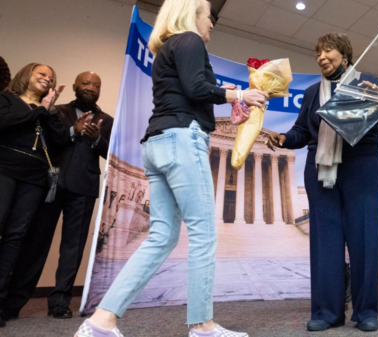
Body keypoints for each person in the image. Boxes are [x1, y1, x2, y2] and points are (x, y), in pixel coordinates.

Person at [74, 1, 268, 336]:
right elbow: (195, 87)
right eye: (210, 17)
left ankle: (101, 322)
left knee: (161, 237)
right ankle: (203, 326)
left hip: (157, 144)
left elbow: (186, 93)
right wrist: (241, 94)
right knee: (203, 234)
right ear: (192, 14)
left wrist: (224, 110)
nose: (212, 24)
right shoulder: (189, 39)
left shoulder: (168, 48)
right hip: (182, 141)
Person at [267, 32, 378, 332]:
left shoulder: (368, 82)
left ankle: (366, 311)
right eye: (317, 53)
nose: (321, 57)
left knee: (363, 240)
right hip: (321, 170)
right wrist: (283, 139)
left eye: (327, 50)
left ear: (344, 55)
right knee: (325, 243)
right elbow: (300, 132)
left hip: (362, 166)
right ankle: (328, 312)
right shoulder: (309, 94)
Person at [2, 72, 113, 320]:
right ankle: (12, 304)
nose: (91, 88)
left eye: (96, 85)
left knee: (73, 247)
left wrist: (97, 141)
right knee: (35, 243)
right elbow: (47, 142)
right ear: (75, 86)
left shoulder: (107, 119)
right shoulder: (55, 111)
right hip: (49, 184)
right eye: (85, 83)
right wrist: (74, 130)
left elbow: (111, 153)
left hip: (84, 187)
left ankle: (60, 303)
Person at [0, 63, 68, 327]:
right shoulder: (7, 99)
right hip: (4, 170)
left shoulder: (49, 111)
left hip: (35, 179)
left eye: (50, 77)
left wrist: (49, 111)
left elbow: (61, 140)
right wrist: (39, 111)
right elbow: (4, 122)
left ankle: (3, 303)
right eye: (41, 73)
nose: (47, 78)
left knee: (16, 236)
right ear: (26, 75)